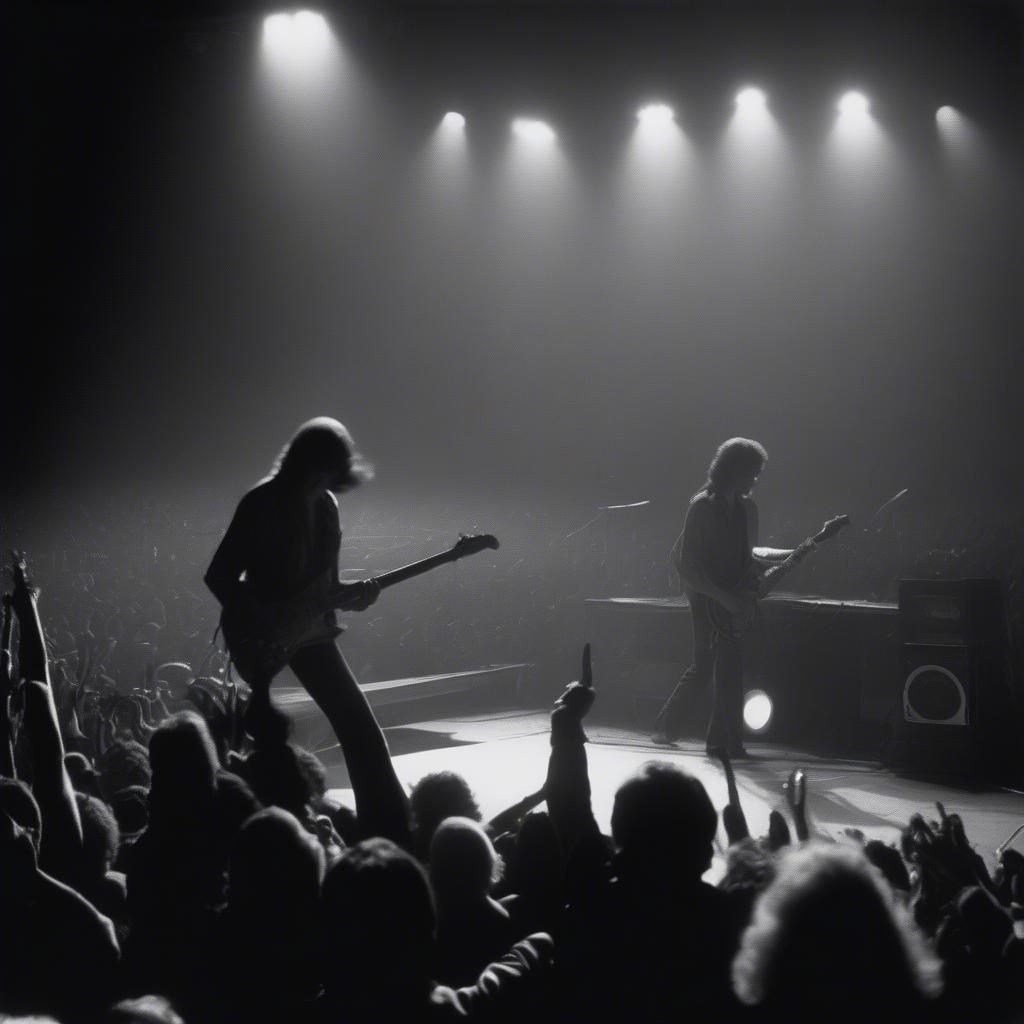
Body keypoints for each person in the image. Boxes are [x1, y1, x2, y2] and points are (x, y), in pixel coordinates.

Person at [204, 417, 409, 846]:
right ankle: (256, 838)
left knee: (359, 726)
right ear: (306, 466)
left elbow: (327, 587)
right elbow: (219, 575)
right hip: (262, 634)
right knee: (266, 739)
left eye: (331, 479)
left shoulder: (327, 505)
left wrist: (353, 595)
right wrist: (261, 614)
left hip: (311, 632)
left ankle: (389, 835)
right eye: (319, 476)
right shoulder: (259, 503)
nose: (324, 485)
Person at [653, 437, 795, 756]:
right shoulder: (702, 506)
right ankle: (713, 740)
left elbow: (749, 556)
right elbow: (688, 565)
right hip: (704, 592)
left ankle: (713, 740)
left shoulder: (747, 509)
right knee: (709, 663)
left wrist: (791, 555)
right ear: (733, 470)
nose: (754, 480)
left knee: (719, 663)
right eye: (751, 473)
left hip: (729, 592)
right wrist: (723, 598)